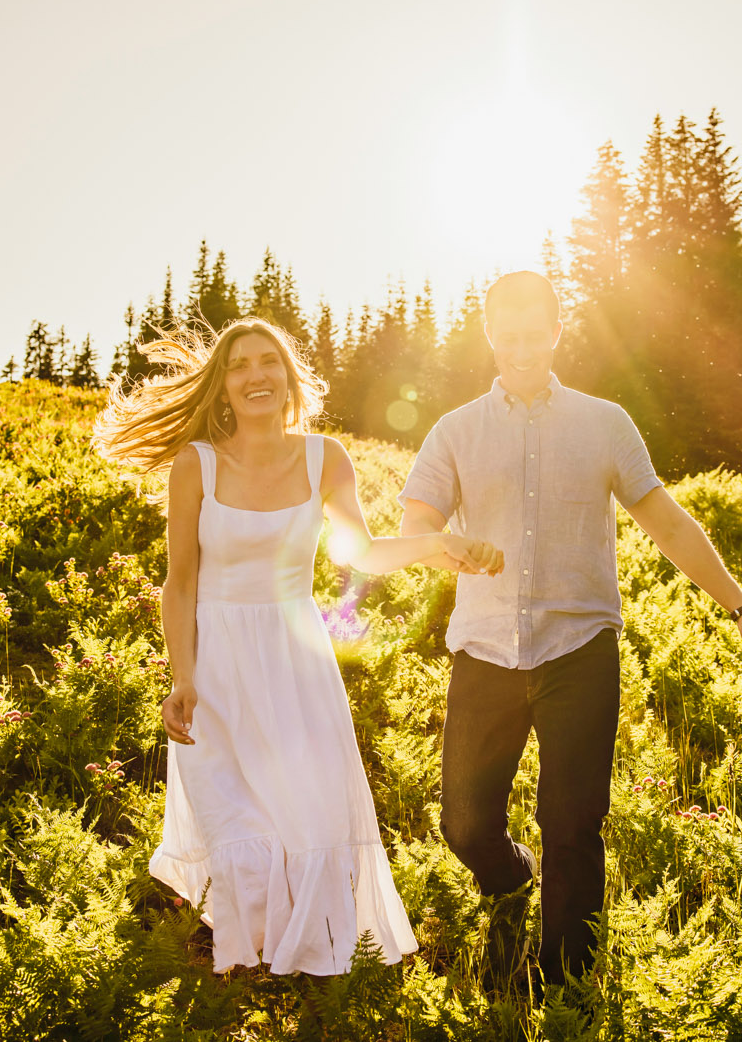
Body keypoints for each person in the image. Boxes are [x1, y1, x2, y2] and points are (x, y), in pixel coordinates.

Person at [397, 271, 742, 997]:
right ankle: (511, 878)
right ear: (490, 336)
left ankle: (567, 988)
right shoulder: (456, 430)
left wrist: (739, 606)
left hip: (580, 652)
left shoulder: (605, 423)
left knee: (573, 825)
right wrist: (445, 541)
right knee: (465, 825)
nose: (520, 346)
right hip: (485, 652)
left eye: (532, 331)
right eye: (506, 334)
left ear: (556, 331)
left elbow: (666, 521)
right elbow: (416, 522)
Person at [92, 317, 504, 976]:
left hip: (295, 658)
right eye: (239, 366)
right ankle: (252, 963)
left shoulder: (325, 458)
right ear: (223, 386)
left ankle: (313, 970)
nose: (256, 375)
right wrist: (183, 678)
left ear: (289, 377)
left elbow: (359, 551)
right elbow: (180, 584)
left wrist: (441, 543)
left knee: (309, 815)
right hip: (219, 663)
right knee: (236, 817)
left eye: (269, 362)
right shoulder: (193, 463)